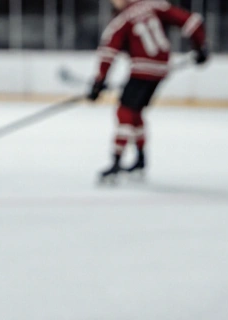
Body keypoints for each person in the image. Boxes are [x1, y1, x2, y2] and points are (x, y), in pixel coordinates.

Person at [88, 0, 209, 183]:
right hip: (161, 69)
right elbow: (192, 21)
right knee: (135, 112)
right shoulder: (156, 5)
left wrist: (99, 82)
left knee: (125, 111)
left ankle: (116, 162)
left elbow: (108, 52)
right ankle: (140, 160)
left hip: (141, 70)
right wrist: (200, 46)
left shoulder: (121, 20)